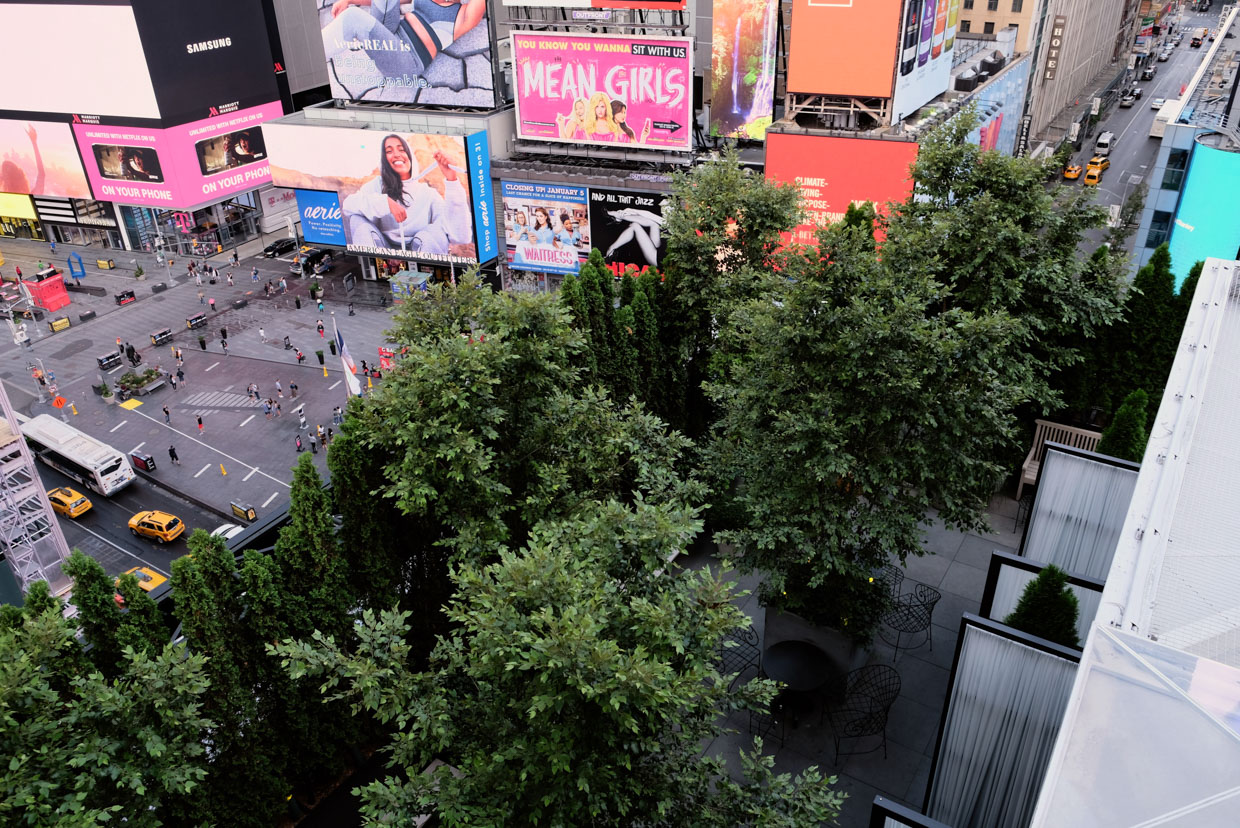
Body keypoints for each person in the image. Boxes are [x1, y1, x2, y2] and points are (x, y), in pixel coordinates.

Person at [341, 133, 471, 256]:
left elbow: (460, 236)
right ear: (384, 159)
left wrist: (452, 179)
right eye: (389, 151)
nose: (396, 154)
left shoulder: (428, 194)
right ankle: (372, 268)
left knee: (435, 231)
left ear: (410, 156)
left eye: (401, 149)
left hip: (422, 255)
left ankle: (428, 273)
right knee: (356, 219)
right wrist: (385, 202)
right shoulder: (376, 186)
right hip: (384, 253)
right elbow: (348, 205)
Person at [322, 0, 489, 91]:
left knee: (353, 19)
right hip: (391, 34)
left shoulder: (463, 15)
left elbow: (479, 6)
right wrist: (349, 0)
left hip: (406, 61)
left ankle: (312, 60)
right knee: (354, 13)